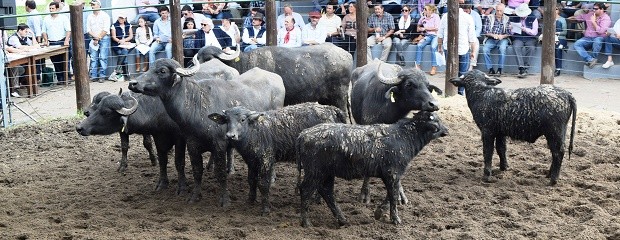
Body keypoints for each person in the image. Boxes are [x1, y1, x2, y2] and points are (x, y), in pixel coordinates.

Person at [438, 0, 476, 95]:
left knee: (450, 71)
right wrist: (473, 51)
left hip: (448, 47)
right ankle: (459, 92)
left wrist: (439, 46)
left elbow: (440, 34)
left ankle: (451, 92)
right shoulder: (468, 17)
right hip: (463, 48)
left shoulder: (445, 16)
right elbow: (472, 37)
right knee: (462, 73)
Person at [568, 3, 611, 69]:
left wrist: (593, 22)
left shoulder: (606, 18)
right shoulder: (590, 14)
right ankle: (590, 59)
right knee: (577, 44)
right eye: (593, 8)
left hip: (599, 38)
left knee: (597, 40)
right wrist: (570, 18)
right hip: (588, 38)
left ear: (602, 9)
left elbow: (600, 31)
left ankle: (594, 58)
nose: (593, 10)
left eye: (596, 9)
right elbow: (580, 17)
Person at [41, 1, 71, 85]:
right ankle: (60, 78)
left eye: (52, 8)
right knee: (55, 61)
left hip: (61, 40)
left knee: (64, 60)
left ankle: (66, 77)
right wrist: (46, 40)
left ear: (57, 9)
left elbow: (68, 30)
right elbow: (44, 31)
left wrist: (66, 40)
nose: (51, 10)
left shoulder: (63, 18)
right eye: (50, 8)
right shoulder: (46, 19)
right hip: (52, 42)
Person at [6, 24, 39, 97]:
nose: (27, 33)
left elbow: (35, 45)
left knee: (31, 65)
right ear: (20, 30)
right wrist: (32, 47)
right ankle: (14, 89)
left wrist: (33, 35)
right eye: (25, 31)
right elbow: (21, 48)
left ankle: (25, 84)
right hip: (12, 61)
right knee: (18, 68)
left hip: (22, 59)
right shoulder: (14, 38)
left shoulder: (25, 37)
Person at [481, 3, 510, 76]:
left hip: (503, 39)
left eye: (501, 11)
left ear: (503, 11)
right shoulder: (489, 17)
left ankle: (500, 69)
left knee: (502, 48)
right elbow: (485, 31)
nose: (499, 12)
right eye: (497, 10)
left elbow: (509, 33)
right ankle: (490, 68)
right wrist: (493, 35)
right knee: (485, 49)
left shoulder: (507, 18)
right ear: (495, 10)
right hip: (491, 38)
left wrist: (502, 36)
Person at [510, 3, 539, 78]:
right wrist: (511, 29)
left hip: (530, 37)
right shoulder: (514, 18)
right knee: (516, 46)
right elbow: (511, 33)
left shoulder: (533, 18)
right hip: (518, 37)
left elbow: (534, 32)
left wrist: (525, 29)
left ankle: (525, 68)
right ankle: (521, 67)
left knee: (531, 48)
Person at [86, 0, 111, 82]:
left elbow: (106, 29)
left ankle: (102, 76)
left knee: (103, 57)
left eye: (94, 4)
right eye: (92, 5)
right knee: (93, 58)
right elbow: (88, 29)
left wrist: (98, 37)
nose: (92, 6)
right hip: (94, 38)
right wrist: (95, 37)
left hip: (103, 38)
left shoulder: (105, 15)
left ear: (99, 5)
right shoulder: (90, 16)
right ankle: (94, 75)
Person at [413, 5, 440, 73]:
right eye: (424, 9)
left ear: (430, 11)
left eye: (425, 9)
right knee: (419, 45)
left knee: (433, 47)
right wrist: (420, 28)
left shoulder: (436, 16)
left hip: (435, 35)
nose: (424, 10)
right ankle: (418, 65)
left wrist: (425, 28)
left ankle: (434, 67)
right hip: (427, 35)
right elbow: (418, 28)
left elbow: (437, 28)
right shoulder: (423, 18)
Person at [110, 14, 134, 81]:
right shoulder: (114, 25)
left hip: (126, 43)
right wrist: (120, 41)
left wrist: (124, 41)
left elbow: (131, 36)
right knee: (124, 52)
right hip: (117, 44)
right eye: (120, 18)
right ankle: (126, 75)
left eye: (122, 18)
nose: (121, 19)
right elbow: (114, 37)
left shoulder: (128, 25)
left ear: (125, 19)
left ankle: (117, 69)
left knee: (124, 51)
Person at [464, 2, 482, 71]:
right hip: (463, 36)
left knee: (476, 45)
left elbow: (479, 28)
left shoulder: (475, 15)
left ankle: (471, 66)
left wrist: (472, 37)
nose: (465, 12)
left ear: (470, 9)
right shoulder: (461, 15)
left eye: (467, 11)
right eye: (464, 11)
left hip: (473, 36)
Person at [555, 7, 568, 76]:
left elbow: (565, 32)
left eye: (556, 9)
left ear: (559, 10)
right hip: (551, 38)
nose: (554, 10)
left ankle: (558, 69)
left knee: (558, 49)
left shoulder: (562, 19)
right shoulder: (548, 19)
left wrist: (557, 33)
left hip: (560, 38)